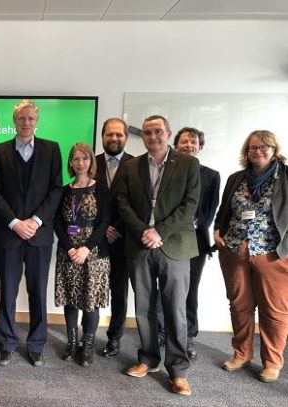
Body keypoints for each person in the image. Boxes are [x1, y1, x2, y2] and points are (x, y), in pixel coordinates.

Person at [117, 115, 200, 396]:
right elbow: (123, 203)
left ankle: (178, 371)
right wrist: (144, 231)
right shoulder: (131, 166)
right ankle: (148, 359)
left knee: (175, 308)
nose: (153, 137)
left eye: (158, 132)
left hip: (174, 246)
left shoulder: (188, 163)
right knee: (143, 307)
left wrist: (159, 231)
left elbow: (190, 205)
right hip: (140, 244)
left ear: (168, 133)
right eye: (148, 133)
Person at [0, 99, 63, 367]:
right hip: (9, 234)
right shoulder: (0, 152)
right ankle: (6, 342)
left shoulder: (52, 149)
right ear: (14, 120)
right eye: (22, 118)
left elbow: (56, 190)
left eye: (31, 118)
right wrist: (14, 222)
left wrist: (36, 220)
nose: (26, 122)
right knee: (7, 291)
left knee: (37, 291)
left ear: (37, 120)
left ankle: (36, 344)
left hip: (39, 236)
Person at [214, 130, 288, 383]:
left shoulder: (285, 177)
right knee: (240, 305)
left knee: (274, 309)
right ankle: (242, 353)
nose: (258, 151)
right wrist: (217, 230)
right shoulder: (236, 178)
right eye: (253, 147)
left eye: (264, 147)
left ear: (274, 149)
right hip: (235, 249)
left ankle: (272, 362)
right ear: (247, 151)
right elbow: (224, 209)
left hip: (272, 253)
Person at [156, 127, 220, 359]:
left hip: (195, 242)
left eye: (194, 142)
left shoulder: (211, 175)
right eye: (184, 142)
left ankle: (188, 336)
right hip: (164, 238)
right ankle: (161, 332)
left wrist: (185, 224)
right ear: (176, 144)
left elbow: (209, 212)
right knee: (163, 289)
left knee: (190, 289)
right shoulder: (166, 171)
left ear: (200, 147)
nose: (189, 146)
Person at [54, 143, 110, 366]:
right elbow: (58, 223)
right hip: (68, 253)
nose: (80, 163)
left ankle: (87, 347)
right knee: (70, 300)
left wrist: (86, 248)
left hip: (94, 254)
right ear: (70, 163)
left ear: (91, 162)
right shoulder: (65, 190)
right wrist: (70, 248)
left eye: (84, 158)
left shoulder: (102, 189)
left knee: (90, 301)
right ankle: (72, 342)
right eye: (75, 159)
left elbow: (104, 222)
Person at [94, 118, 134, 358]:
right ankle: (88, 335)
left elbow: (136, 203)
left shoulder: (136, 165)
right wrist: (102, 228)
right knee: (92, 290)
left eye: (119, 135)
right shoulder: (92, 163)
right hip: (95, 239)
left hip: (122, 238)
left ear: (126, 137)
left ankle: (114, 338)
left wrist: (114, 227)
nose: (114, 138)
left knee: (119, 291)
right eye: (110, 134)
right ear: (102, 136)